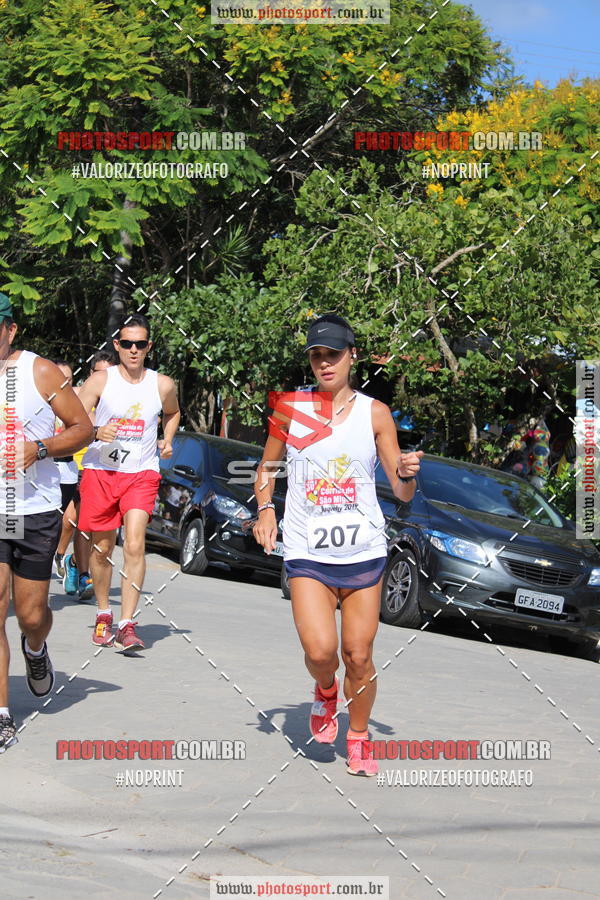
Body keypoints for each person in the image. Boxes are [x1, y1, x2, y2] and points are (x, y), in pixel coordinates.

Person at [253, 314, 423, 776]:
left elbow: (401, 492)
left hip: (363, 551)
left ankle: (359, 736)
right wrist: (266, 510)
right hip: (308, 550)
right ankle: (326, 691)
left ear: (352, 356)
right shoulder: (290, 409)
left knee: (360, 655)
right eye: (316, 355)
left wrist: (407, 475)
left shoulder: (376, 414)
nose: (324, 363)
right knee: (321, 652)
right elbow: (266, 468)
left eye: (333, 354)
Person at [0, 294, 92, 752]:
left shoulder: (39, 372)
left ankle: (35, 649)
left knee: (31, 614)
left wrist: (39, 448)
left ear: (10, 330)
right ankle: (1, 713)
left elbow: (83, 428)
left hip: (32, 511)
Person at [77, 314, 180, 652]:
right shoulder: (99, 381)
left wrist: (166, 439)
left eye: (140, 344)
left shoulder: (162, 384)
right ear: (117, 345)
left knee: (135, 543)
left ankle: (127, 623)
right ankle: (104, 613)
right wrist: (95, 431)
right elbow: (75, 417)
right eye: (127, 344)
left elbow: (173, 412)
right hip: (102, 471)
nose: (133, 350)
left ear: (149, 346)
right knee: (103, 547)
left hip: (142, 472)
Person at [62, 350, 116, 601]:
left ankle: (75, 562)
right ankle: (84, 573)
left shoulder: (119, 400)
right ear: (91, 374)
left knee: (98, 530)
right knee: (79, 522)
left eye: (109, 372)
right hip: (78, 468)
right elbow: (67, 428)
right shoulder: (80, 399)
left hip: (110, 469)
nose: (104, 378)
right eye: (99, 372)